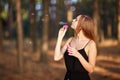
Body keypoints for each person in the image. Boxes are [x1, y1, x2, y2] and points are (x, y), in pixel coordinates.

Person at [54, 14, 97, 80]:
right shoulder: (70, 40)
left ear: (81, 26)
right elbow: (56, 57)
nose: (73, 20)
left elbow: (91, 69)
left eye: (76, 20)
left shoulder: (91, 44)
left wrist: (78, 55)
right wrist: (60, 37)